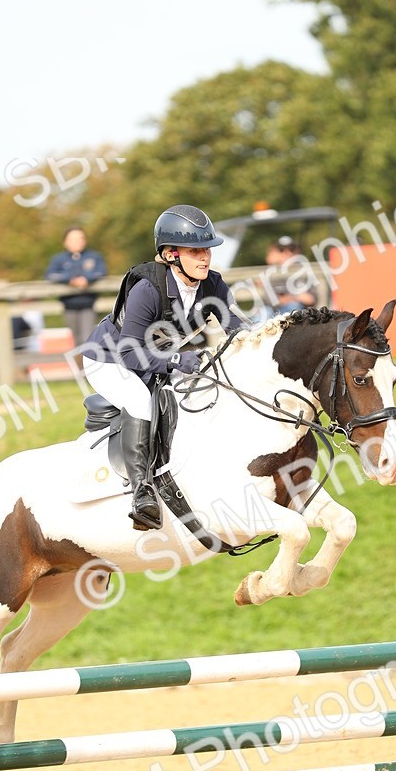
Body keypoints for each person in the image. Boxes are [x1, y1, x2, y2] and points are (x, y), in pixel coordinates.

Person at [81, 203, 249, 532]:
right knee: (138, 398)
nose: (205, 258)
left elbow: (240, 331)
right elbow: (131, 353)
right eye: (195, 250)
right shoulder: (148, 289)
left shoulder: (212, 285)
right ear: (171, 254)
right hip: (109, 359)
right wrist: (177, 360)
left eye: (207, 250)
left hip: (154, 355)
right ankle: (142, 495)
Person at [44, 227, 108, 346]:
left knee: (87, 338)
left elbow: (101, 272)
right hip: (69, 305)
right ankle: (80, 364)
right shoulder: (59, 259)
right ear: (65, 242)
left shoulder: (94, 257)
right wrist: (71, 279)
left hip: (88, 304)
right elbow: (50, 275)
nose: (77, 241)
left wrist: (86, 279)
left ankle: (87, 363)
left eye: (80, 238)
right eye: (73, 239)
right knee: (76, 341)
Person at [260, 236, 318, 316]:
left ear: (297, 251)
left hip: (300, 315)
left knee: (294, 307)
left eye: (291, 249)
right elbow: (271, 301)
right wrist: (297, 297)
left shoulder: (304, 272)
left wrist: (286, 298)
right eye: (281, 249)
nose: (287, 253)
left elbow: (311, 299)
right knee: (262, 314)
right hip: (274, 313)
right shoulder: (271, 274)